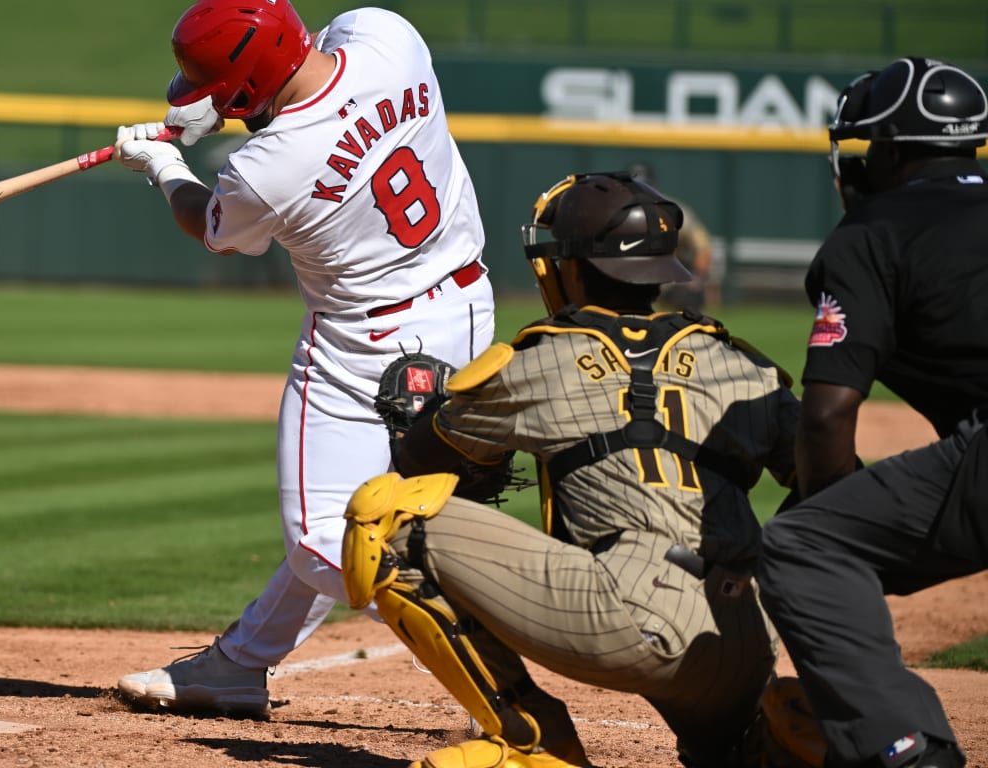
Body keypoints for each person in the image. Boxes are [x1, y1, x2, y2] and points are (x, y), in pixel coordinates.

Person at [112, 0, 496, 718]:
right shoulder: (389, 36)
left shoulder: (265, 169)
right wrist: (227, 107)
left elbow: (213, 227)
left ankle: (484, 617)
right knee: (355, 511)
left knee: (324, 539)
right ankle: (236, 667)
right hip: (465, 309)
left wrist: (164, 163)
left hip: (362, 344)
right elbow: (315, 59)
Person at [344, 171, 801, 767]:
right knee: (738, 755)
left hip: (631, 624)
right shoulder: (741, 364)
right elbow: (838, 485)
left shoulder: (547, 355)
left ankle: (535, 739)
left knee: (389, 519)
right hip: (745, 640)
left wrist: (424, 419)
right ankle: (762, 743)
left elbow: (418, 460)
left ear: (573, 268)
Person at [754, 56, 988, 768]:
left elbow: (826, 416)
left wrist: (826, 513)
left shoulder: (873, 231)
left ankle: (907, 750)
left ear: (883, 152)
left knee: (804, 546)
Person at [628, 162, 719, 312]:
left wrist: (699, 278)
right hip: (627, 280)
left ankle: (687, 333)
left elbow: (703, 247)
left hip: (667, 282)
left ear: (654, 187)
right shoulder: (615, 213)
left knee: (690, 296)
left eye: (645, 186)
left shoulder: (672, 210)